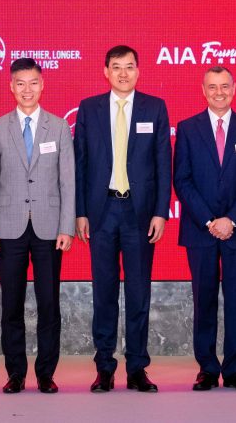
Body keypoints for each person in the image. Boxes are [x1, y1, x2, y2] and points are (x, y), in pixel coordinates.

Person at [74, 45, 171, 393]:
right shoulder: (89, 108)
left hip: (140, 214)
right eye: (117, 67)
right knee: (104, 293)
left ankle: (137, 368)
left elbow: (163, 164)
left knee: (138, 292)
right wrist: (80, 211)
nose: (123, 74)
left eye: (130, 67)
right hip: (101, 213)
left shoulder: (155, 108)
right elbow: (80, 163)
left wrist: (161, 211)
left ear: (139, 70)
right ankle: (104, 367)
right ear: (106, 71)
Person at [0, 58, 75, 394]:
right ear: (11, 86)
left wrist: (67, 226)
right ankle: (16, 373)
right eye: (20, 83)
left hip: (50, 229)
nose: (27, 89)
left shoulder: (60, 127)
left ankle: (46, 373)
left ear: (42, 84)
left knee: (49, 303)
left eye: (33, 82)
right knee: (12, 304)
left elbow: (68, 182)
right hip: (8, 229)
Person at [173, 66, 236, 391]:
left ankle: (235, 368)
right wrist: (210, 221)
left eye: (224, 86)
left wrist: (231, 219)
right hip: (201, 230)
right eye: (212, 87)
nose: (219, 92)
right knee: (205, 299)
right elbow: (181, 180)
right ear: (203, 89)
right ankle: (208, 368)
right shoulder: (187, 128)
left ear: (234, 88)